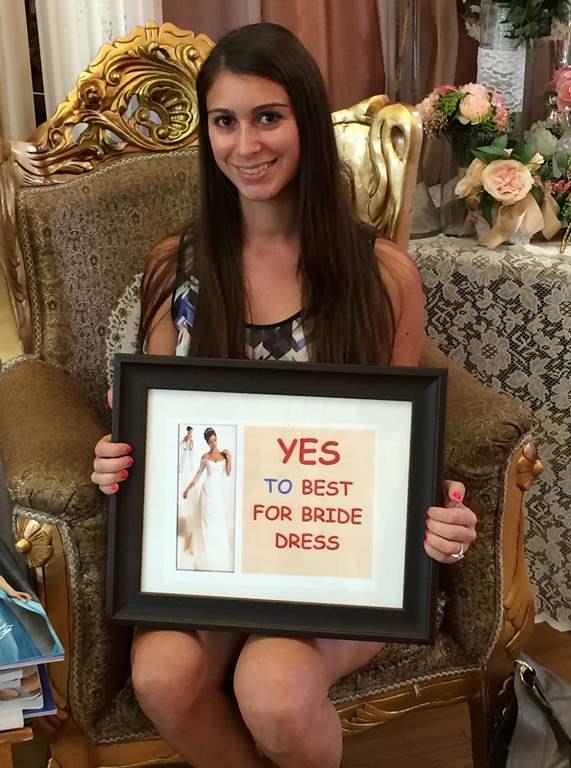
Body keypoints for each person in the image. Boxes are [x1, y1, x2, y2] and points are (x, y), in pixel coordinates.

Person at [91, 22, 477, 768]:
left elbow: (401, 449)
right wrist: (117, 461)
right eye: (224, 121)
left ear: (306, 121)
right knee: (161, 676)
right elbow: (158, 436)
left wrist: (439, 515)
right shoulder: (176, 268)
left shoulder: (383, 276)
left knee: (272, 689)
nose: (245, 145)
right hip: (213, 555)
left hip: (333, 560)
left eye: (268, 117)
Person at [182, 428, 233, 571]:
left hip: (217, 493)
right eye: (211, 442)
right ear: (207, 443)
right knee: (206, 522)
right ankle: (206, 552)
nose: (214, 443)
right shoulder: (205, 456)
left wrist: (230, 457)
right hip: (207, 491)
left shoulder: (224, 455)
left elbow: (228, 472)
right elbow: (198, 475)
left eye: (215, 440)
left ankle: (218, 553)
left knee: (217, 521)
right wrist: (187, 489)